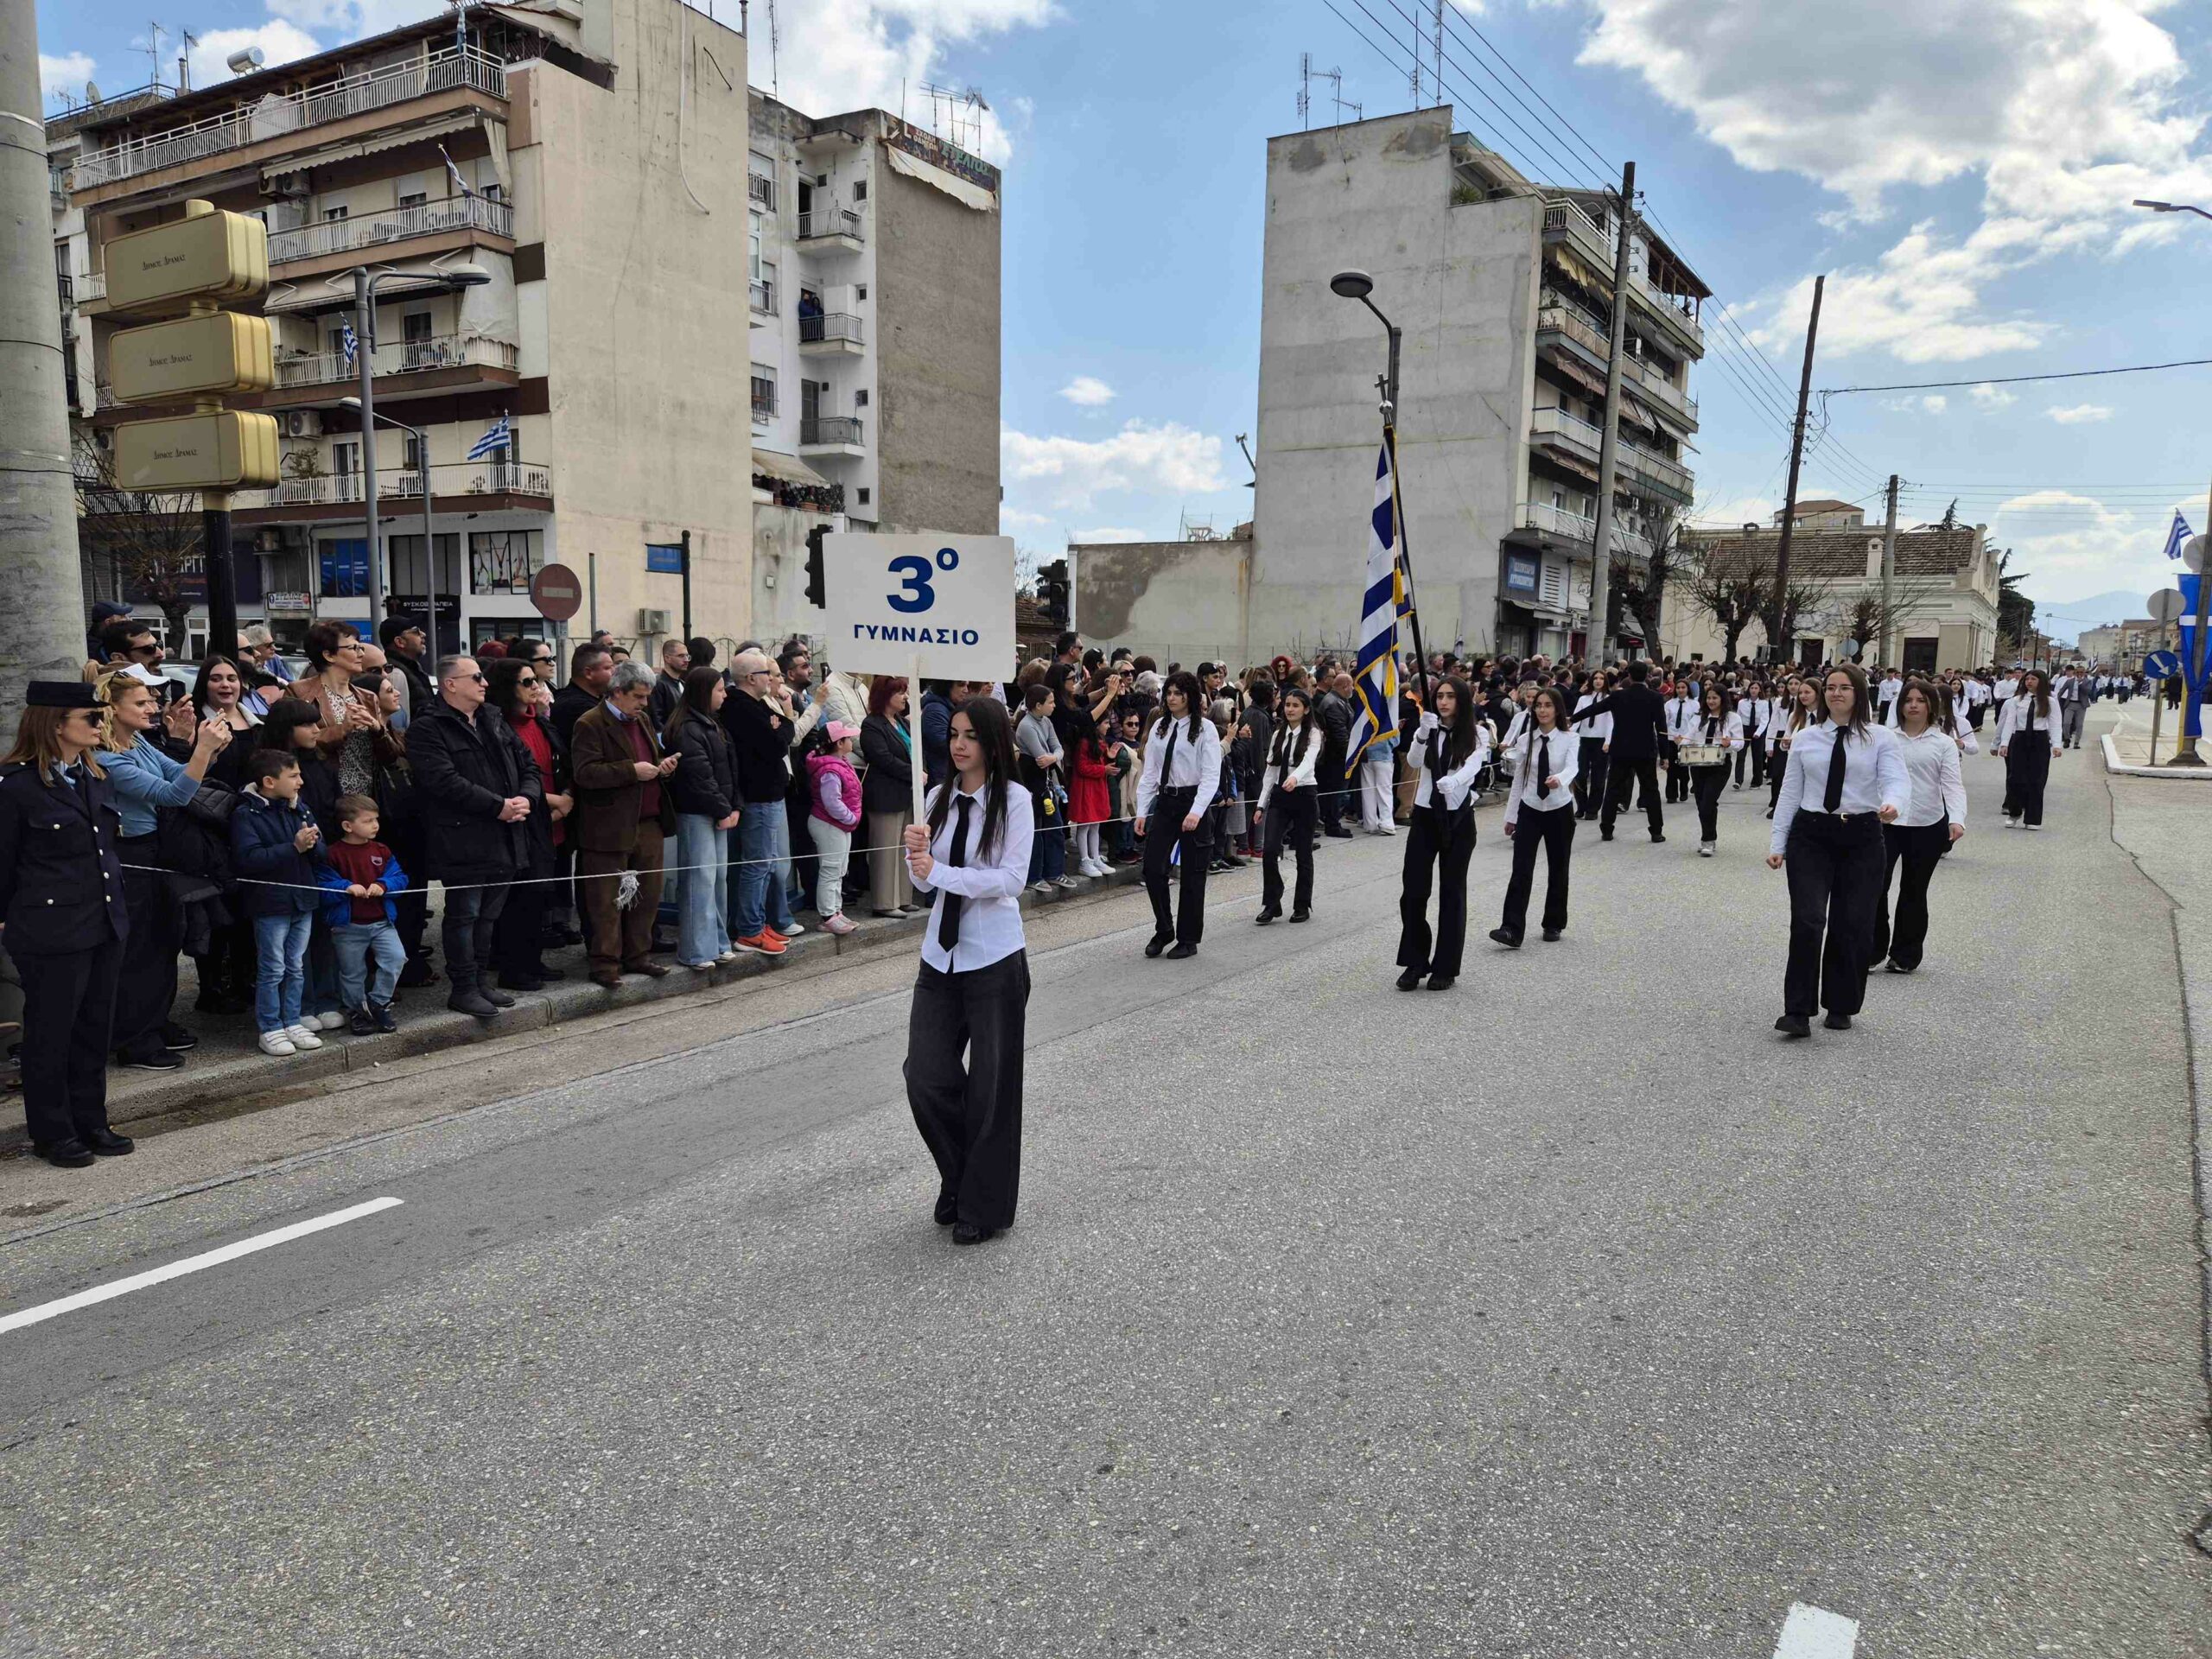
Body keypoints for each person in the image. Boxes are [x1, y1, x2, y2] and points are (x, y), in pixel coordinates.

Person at [899, 695, 1035, 1247]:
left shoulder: (1015, 801)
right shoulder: (936, 798)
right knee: (925, 1075)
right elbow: (924, 885)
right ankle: (958, 1176)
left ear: (992, 742)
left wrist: (940, 871)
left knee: (991, 1088)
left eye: (970, 736)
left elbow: (1011, 880)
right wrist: (916, 859)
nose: (958, 745)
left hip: (995, 957)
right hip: (941, 956)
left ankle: (983, 1204)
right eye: (953, 734)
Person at [0, 683, 136, 1166]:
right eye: (91, 718)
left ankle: (91, 1121)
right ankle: (53, 1132)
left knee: (94, 1029)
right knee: (51, 1034)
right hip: (50, 929)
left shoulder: (94, 776)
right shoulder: (16, 787)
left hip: (103, 921)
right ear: (56, 723)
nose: (100, 726)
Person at [95, 669, 233, 1070]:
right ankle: (135, 1038)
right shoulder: (107, 758)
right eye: (141, 702)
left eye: (150, 700)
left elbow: (179, 773)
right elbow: (173, 794)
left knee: (165, 939)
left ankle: (155, 1021)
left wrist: (208, 751)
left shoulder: (137, 740)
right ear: (111, 708)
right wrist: (203, 750)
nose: (152, 708)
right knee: (141, 948)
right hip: (132, 855)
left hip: (158, 849)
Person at [1766, 664, 1910, 1038]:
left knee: (1852, 922)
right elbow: (1790, 793)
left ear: (1859, 693)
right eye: (1830, 687)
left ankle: (1841, 1003)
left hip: (1862, 836)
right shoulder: (1806, 738)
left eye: (1845, 688)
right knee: (1808, 919)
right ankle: (1797, 1011)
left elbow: (1896, 779)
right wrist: (1778, 843)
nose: (1836, 693)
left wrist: (1894, 804)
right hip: (1811, 835)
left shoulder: (1880, 738)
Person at [405, 655, 542, 1020]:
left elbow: (528, 764)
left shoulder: (493, 718)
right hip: (463, 839)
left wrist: (526, 799)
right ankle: (463, 988)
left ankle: (480, 981)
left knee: (489, 916)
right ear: (450, 684)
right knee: (464, 915)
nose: (485, 683)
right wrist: (498, 806)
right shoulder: (428, 727)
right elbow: (443, 781)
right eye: (476, 677)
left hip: (508, 834)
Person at [570, 660, 681, 988]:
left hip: (648, 823)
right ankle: (605, 964)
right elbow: (585, 773)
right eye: (638, 697)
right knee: (606, 900)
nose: (644, 704)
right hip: (608, 827)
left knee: (646, 895)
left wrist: (662, 766)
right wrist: (632, 771)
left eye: (647, 697)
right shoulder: (590, 723)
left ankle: (638, 955)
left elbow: (649, 760)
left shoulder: (642, 719)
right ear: (617, 691)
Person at [230, 747, 331, 1058]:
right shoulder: (246, 814)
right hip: (270, 903)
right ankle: (270, 1026)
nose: (301, 781)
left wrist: (313, 844)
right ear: (269, 782)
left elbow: (322, 853)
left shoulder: (300, 809)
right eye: (294, 776)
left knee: (296, 966)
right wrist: (294, 847)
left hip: (303, 897)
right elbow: (248, 859)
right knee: (273, 967)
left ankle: (293, 1020)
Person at [1396, 677, 1490, 991]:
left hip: (1458, 815)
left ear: (1461, 700)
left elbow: (1473, 765)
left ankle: (1445, 967)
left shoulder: (1477, 733)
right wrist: (1422, 733)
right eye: (1439, 696)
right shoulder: (1429, 728)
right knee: (1413, 890)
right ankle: (1415, 961)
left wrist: (1456, 781)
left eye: (1450, 696)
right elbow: (1412, 761)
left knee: (1452, 892)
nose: (1444, 702)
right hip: (1425, 814)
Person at [486, 658, 573, 993]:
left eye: (535, 680)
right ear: (507, 688)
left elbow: (559, 764)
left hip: (550, 820)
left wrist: (566, 796)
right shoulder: (499, 727)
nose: (536, 686)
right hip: (524, 819)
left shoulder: (541, 723)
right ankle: (514, 967)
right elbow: (513, 779)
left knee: (539, 897)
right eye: (527, 682)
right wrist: (553, 801)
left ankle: (532, 960)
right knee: (519, 899)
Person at [1873, 679, 1967, 976]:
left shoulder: (1943, 743)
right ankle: (1872, 949)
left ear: (1931, 706)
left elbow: (1952, 785)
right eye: (1908, 700)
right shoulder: (1885, 738)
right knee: (1875, 886)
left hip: (1927, 823)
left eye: (1921, 700)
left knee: (1914, 890)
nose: (1913, 705)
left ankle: (1905, 954)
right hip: (1886, 822)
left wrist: (1956, 818)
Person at [1135, 670, 1221, 959]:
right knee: (1152, 868)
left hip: (1193, 800)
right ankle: (1164, 928)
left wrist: (1197, 811)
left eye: (1178, 693)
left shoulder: (1206, 729)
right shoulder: (1160, 726)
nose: (1171, 698)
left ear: (1189, 696)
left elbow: (1211, 775)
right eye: (1168, 693)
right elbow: (1150, 772)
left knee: (1193, 874)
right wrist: (1142, 810)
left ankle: (1188, 938)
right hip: (1166, 802)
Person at [662, 665, 741, 970]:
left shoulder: (712, 724)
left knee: (718, 879)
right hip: (697, 813)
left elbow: (730, 771)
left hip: (719, 811)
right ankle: (695, 949)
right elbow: (700, 776)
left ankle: (718, 943)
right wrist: (724, 809)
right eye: (719, 690)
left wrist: (733, 807)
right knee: (700, 880)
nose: (724, 695)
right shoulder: (686, 728)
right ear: (703, 692)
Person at [725, 648, 801, 955]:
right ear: (750, 678)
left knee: (765, 863)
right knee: (757, 864)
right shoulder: (742, 708)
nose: (771, 678)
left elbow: (783, 729)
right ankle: (749, 929)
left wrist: (781, 724)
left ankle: (757, 921)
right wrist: (782, 725)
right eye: (766, 673)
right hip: (758, 796)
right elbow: (776, 745)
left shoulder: (757, 705)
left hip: (767, 794)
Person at [1491, 686, 1578, 948]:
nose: (1542, 710)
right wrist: (1511, 816)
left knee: (1559, 867)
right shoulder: (1525, 740)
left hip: (1559, 808)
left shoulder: (1570, 738)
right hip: (1530, 808)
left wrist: (1559, 779)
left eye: (1548, 705)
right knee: (1521, 869)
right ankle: (1511, 929)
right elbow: (1519, 779)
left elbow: (1573, 767)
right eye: (1538, 705)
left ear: (1557, 709)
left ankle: (1554, 922)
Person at [318, 793, 408, 1034]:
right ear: (347, 826)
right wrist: (345, 887)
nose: (375, 825)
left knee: (396, 958)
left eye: (376, 819)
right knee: (352, 972)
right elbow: (323, 886)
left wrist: (384, 885)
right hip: (348, 926)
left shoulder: (382, 850)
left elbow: (400, 878)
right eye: (368, 821)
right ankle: (357, 1011)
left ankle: (378, 1003)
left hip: (382, 922)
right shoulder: (332, 854)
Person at [1570, 660, 1669, 842]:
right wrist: (1665, 755)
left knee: (1613, 789)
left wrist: (1573, 718)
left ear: (1629, 676)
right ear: (1647, 676)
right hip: (1645, 749)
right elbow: (1662, 729)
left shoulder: (1618, 696)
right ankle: (1656, 831)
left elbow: (1595, 709)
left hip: (1620, 749)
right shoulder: (1655, 698)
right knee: (1651, 790)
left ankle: (1607, 829)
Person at [1254, 684, 1319, 925]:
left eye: (1295, 706)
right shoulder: (1278, 733)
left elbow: (1309, 761)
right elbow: (1270, 772)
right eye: (1287, 705)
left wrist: (1295, 778)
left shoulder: (1313, 734)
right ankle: (1272, 902)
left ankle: (1302, 904)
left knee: (1303, 852)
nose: (1290, 709)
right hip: (1280, 796)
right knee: (1270, 849)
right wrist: (1261, 805)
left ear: (1306, 709)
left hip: (1304, 794)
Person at [862, 676, 920, 915]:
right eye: (901, 693)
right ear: (885, 696)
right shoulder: (872, 725)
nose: (905, 697)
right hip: (885, 795)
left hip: (907, 793)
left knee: (904, 849)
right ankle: (885, 902)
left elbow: (915, 750)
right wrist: (913, 772)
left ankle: (904, 897)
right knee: (885, 849)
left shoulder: (902, 722)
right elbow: (883, 758)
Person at [805, 721, 863, 937]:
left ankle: (836, 911)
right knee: (831, 869)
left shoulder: (840, 763)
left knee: (840, 869)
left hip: (840, 825)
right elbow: (832, 802)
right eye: (847, 738)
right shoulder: (830, 769)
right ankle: (828, 915)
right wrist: (850, 818)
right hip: (829, 824)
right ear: (839, 743)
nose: (851, 740)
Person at [1675, 683, 1743, 857]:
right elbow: (1689, 736)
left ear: (1722, 699)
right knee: (1700, 802)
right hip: (1698, 764)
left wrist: (1730, 743)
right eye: (1709, 698)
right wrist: (1681, 742)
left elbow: (1740, 743)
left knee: (1708, 801)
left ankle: (1708, 840)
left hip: (1720, 765)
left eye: (1715, 698)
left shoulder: (1733, 718)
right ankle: (1707, 835)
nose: (1711, 701)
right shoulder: (1699, 717)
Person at [1014, 683, 1069, 896]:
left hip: (1046, 782)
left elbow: (1057, 749)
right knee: (1035, 829)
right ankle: (1033, 875)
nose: (1054, 706)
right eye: (1051, 702)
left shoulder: (1046, 721)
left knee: (1055, 825)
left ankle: (1054, 871)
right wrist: (1054, 756)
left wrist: (1053, 757)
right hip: (1030, 782)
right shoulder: (1027, 726)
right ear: (1038, 705)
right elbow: (1040, 756)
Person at [1995, 668, 2063, 830]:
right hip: (2019, 738)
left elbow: (2055, 724)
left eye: (2033, 679)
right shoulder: (2016, 701)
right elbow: (2009, 722)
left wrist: (2056, 745)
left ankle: (2033, 818)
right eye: (2027, 679)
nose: (2029, 682)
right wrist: (2004, 743)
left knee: (2037, 780)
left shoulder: (2050, 701)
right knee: (2015, 778)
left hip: (2039, 739)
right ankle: (2014, 812)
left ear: (2041, 682)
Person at [1570, 669, 1613, 820]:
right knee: (1580, 774)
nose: (1598, 681)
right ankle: (1581, 806)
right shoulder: (1583, 699)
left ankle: (1593, 809)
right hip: (1584, 739)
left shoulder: (1608, 699)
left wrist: (1608, 741)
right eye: (1595, 678)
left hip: (1600, 740)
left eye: (1601, 678)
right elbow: (1576, 718)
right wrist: (1569, 735)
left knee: (1598, 777)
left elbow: (1611, 722)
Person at [647, 637, 691, 729]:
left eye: (687, 656)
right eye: (681, 656)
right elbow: (656, 720)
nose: (686, 660)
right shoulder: (658, 684)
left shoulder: (683, 684)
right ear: (667, 658)